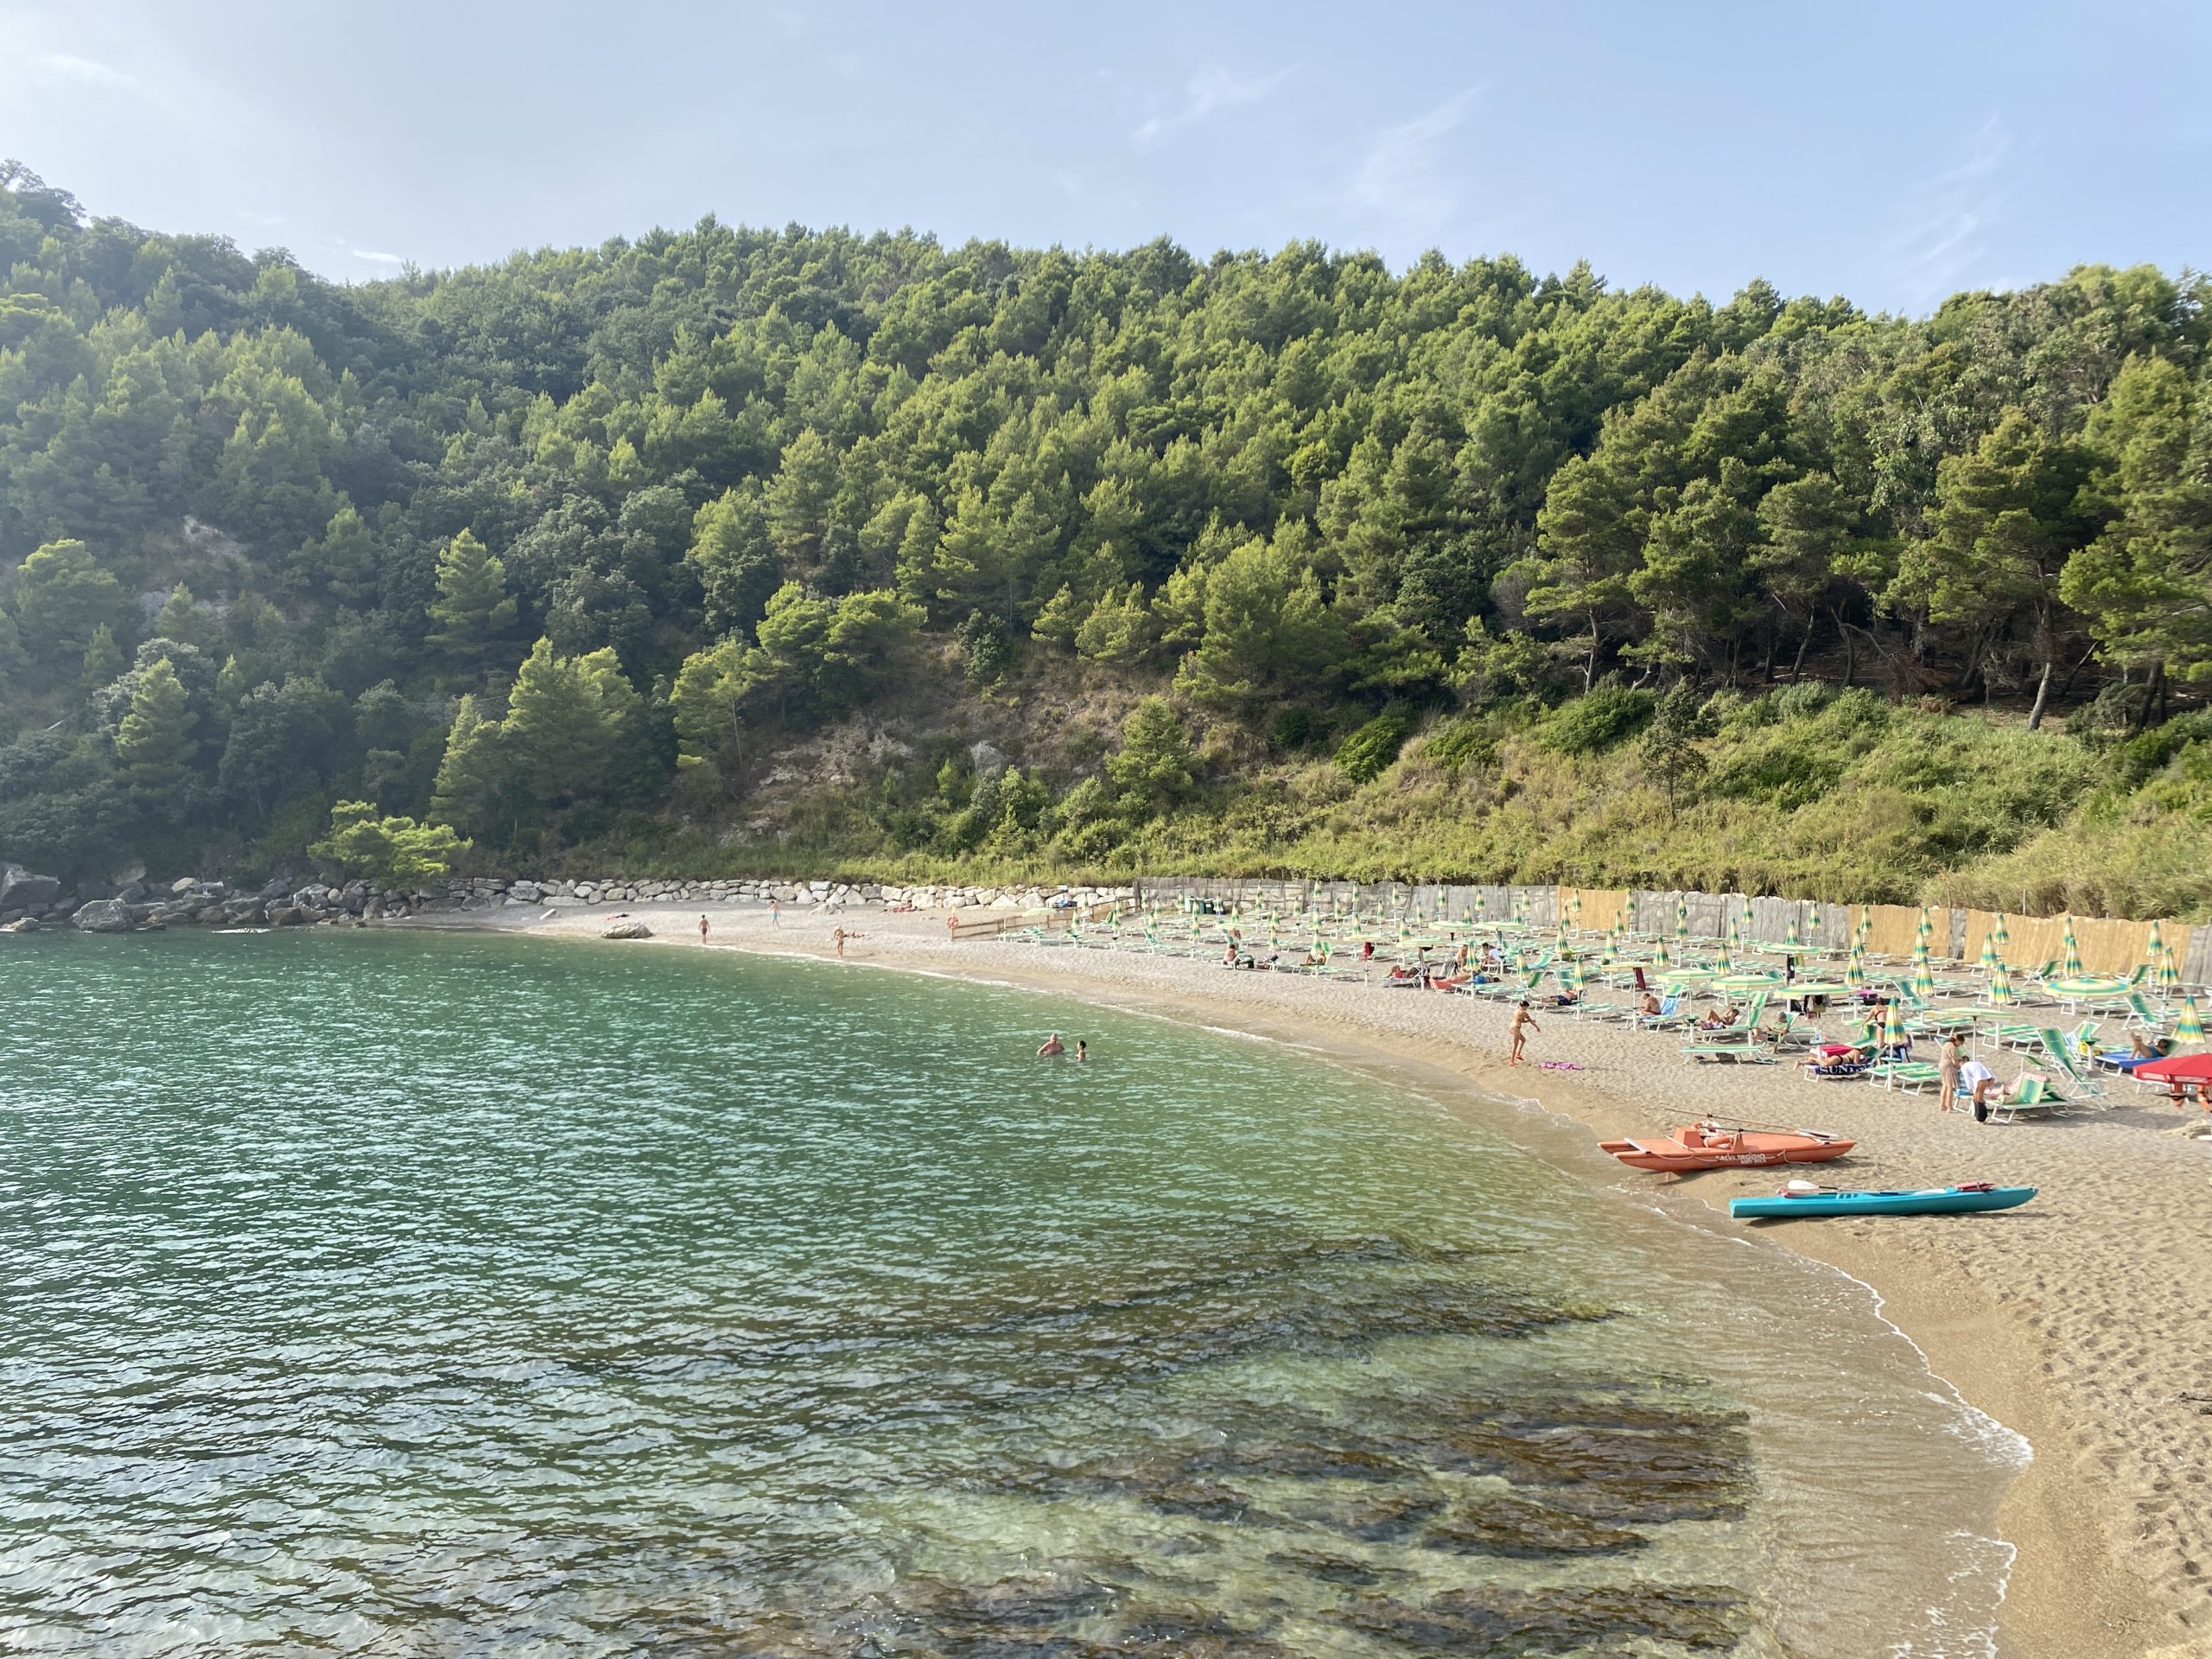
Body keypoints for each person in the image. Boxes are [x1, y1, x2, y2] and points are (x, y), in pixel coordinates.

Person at [1958, 1054, 1997, 1122]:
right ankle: (1979, 1117)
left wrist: (1970, 1089)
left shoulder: (1964, 1067)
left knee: (1979, 1100)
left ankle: (1981, 1119)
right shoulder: (1976, 1063)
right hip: (1989, 1079)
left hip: (1981, 1081)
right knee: (1978, 1099)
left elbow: (1968, 1079)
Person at [1509, 999, 1540, 1066]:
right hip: (1516, 1029)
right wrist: (1537, 1027)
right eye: (1526, 1007)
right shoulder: (1523, 1013)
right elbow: (1531, 1021)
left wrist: (1528, 1021)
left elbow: (1520, 1021)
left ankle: (1518, 1054)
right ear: (1523, 1006)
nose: (1527, 1008)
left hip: (1512, 1027)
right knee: (1515, 1046)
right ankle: (1511, 1061)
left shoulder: (1516, 1010)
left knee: (1523, 1040)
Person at [1938, 1035, 1963, 1114]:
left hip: (1942, 1065)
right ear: (1958, 1041)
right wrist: (1960, 1066)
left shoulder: (1946, 1044)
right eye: (1961, 1043)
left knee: (1945, 1085)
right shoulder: (1953, 1047)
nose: (1960, 1045)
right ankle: (1949, 1107)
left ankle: (1942, 1105)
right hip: (1949, 1067)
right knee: (1950, 1087)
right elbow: (1954, 1061)